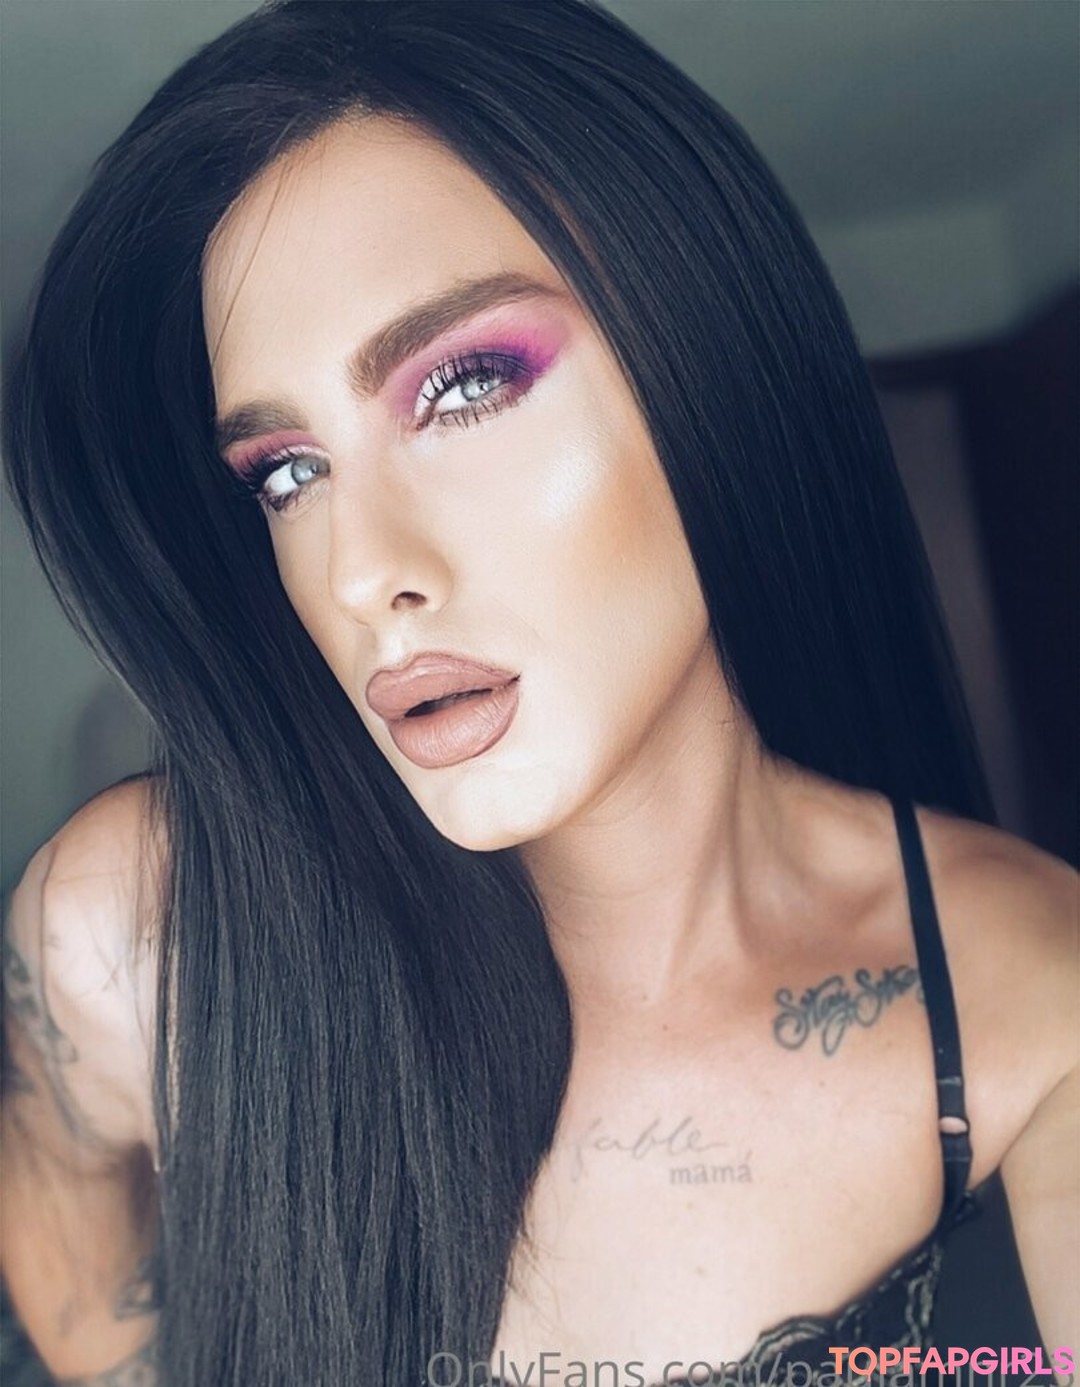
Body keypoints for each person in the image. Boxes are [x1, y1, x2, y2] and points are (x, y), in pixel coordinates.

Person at [1, 2, 1076, 1385]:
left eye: (461, 389)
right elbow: (71, 1248)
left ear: (706, 363)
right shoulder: (136, 932)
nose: (359, 574)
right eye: (288, 472)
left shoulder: (1031, 1003)